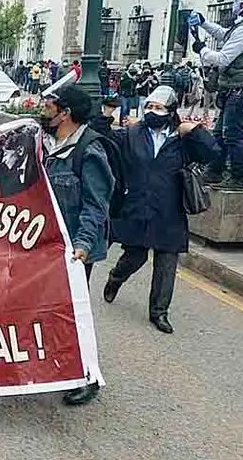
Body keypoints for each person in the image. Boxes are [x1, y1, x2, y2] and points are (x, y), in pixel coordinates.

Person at [92, 86, 219, 334]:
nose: (152, 112)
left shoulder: (182, 140)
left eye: (158, 108)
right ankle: (116, 278)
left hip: (169, 211)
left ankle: (159, 312)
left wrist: (194, 131)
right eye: (149, 106)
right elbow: (101, 140)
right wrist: (106, 113)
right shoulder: (132, 134)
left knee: (167, 262)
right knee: (135, 255)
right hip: (138, 206)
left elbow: (212, 153)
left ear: (171, 111)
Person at [35, 84, 114, 405]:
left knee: (72, 311)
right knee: (49, 306)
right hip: (49, 243)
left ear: (65, 113)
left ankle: (87, 376)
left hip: (76, 248)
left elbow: (96, 205)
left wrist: (81, 244)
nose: (44, 111)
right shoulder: (51, 143)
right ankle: (57, 362)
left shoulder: (89, 151)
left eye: (50, 106)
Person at [191, 0, 243, 190]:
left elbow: (223, 59)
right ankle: (214, 170)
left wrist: (202, 49)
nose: (236, 3)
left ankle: (239, 177)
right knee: (220, 134)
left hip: (242, 89)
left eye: (239, 0)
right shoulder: (242, 27)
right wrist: (204, 23)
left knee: (232, 134)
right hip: (234, 89)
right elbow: (224, 35)